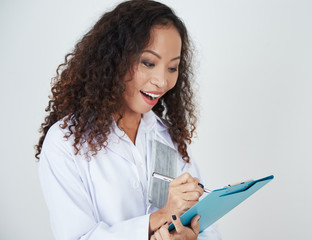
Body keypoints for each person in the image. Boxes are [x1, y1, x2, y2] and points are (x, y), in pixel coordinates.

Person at [35, 0, 221, 239]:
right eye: (148, 63)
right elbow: (78, 236)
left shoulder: (167, 139)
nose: (162, 81)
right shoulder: (65, 142)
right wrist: (159, 218)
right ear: (114, 59)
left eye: (172, 68)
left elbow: (209, 228)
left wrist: (190, 237)